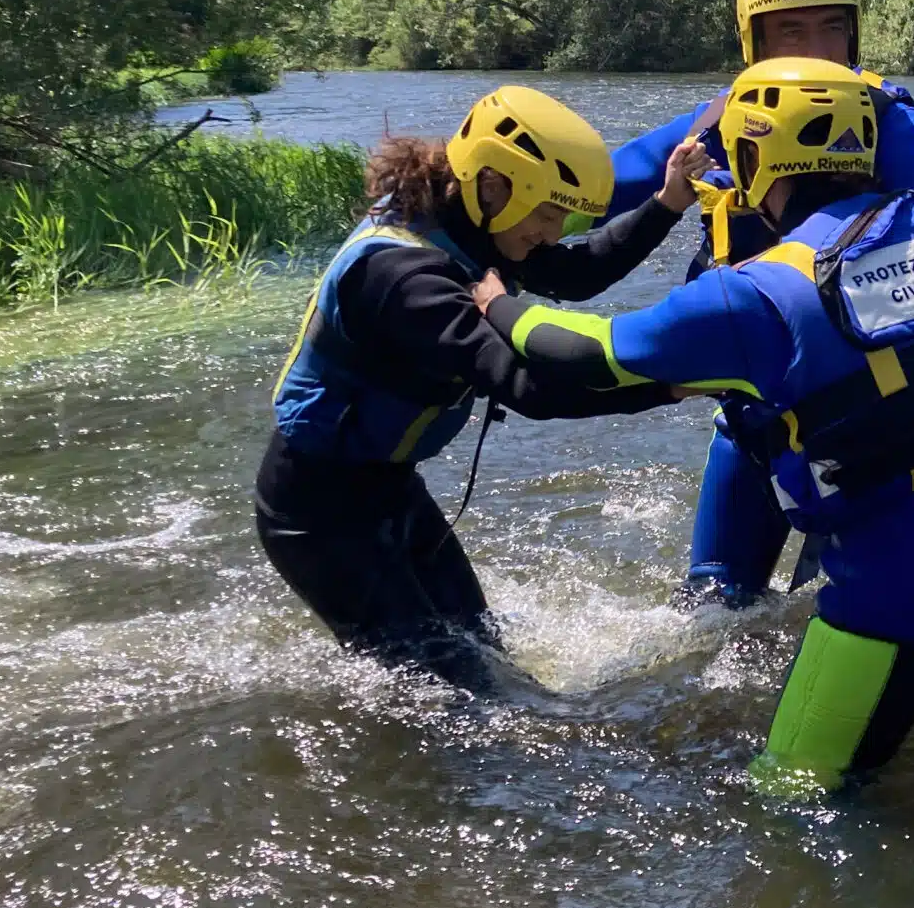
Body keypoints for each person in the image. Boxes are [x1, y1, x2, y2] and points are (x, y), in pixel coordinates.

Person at [485, 58, 914, 795]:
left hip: (897, 607)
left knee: (788, 802)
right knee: (884, 767)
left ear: (755, 157)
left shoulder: (753, 296)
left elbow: (584, 352)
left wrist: (492, 297)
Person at [256, 85, 707, 689]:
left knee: (485, 652)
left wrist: (669, 201)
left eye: (561, 218)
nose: (552, 234)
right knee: (454, 688)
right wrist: (673, 385)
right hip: (318, 511)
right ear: (493, 184)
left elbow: (577, 274)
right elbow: (530, 386)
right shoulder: (403, 277)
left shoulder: (474, 225)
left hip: (389, 490)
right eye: (548, 214)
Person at [607, 0, 914, 608]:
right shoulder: (723, 120)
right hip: (751, 413)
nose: (819, 47)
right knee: (711, 611)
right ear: (755, 40)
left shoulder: (883, 115)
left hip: (857, 423)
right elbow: (600, 184)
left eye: (833, 27)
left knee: (837, 609)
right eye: (793, 30)